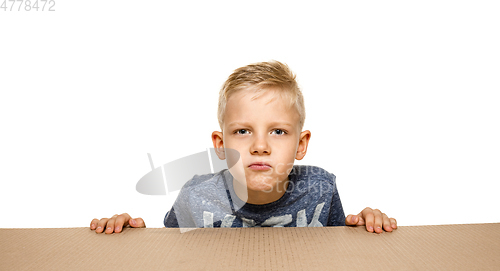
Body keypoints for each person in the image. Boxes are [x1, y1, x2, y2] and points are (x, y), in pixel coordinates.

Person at [90, 61, 397, 234]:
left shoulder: (320, 189)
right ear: (221, 145)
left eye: (278, 131)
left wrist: (367, 222)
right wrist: (128, 231)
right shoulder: (196, 196)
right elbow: (168, 256)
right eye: (242, 131)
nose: (260, 146)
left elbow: (340, 255)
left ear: (300, 144)